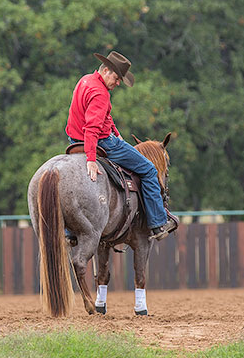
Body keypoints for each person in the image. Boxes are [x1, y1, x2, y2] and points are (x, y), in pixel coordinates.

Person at [65, 51, 178, 241]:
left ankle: (69, 231)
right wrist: (91, 159)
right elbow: (92, 128)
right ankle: (158, 223)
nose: (118, 83)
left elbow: (103, 117)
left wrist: (117, 133)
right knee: (149, 170)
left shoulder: (85, 81)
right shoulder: (101, 94)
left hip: (73, 140)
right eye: (117, 78)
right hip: (101, 143)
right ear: (106, 70)